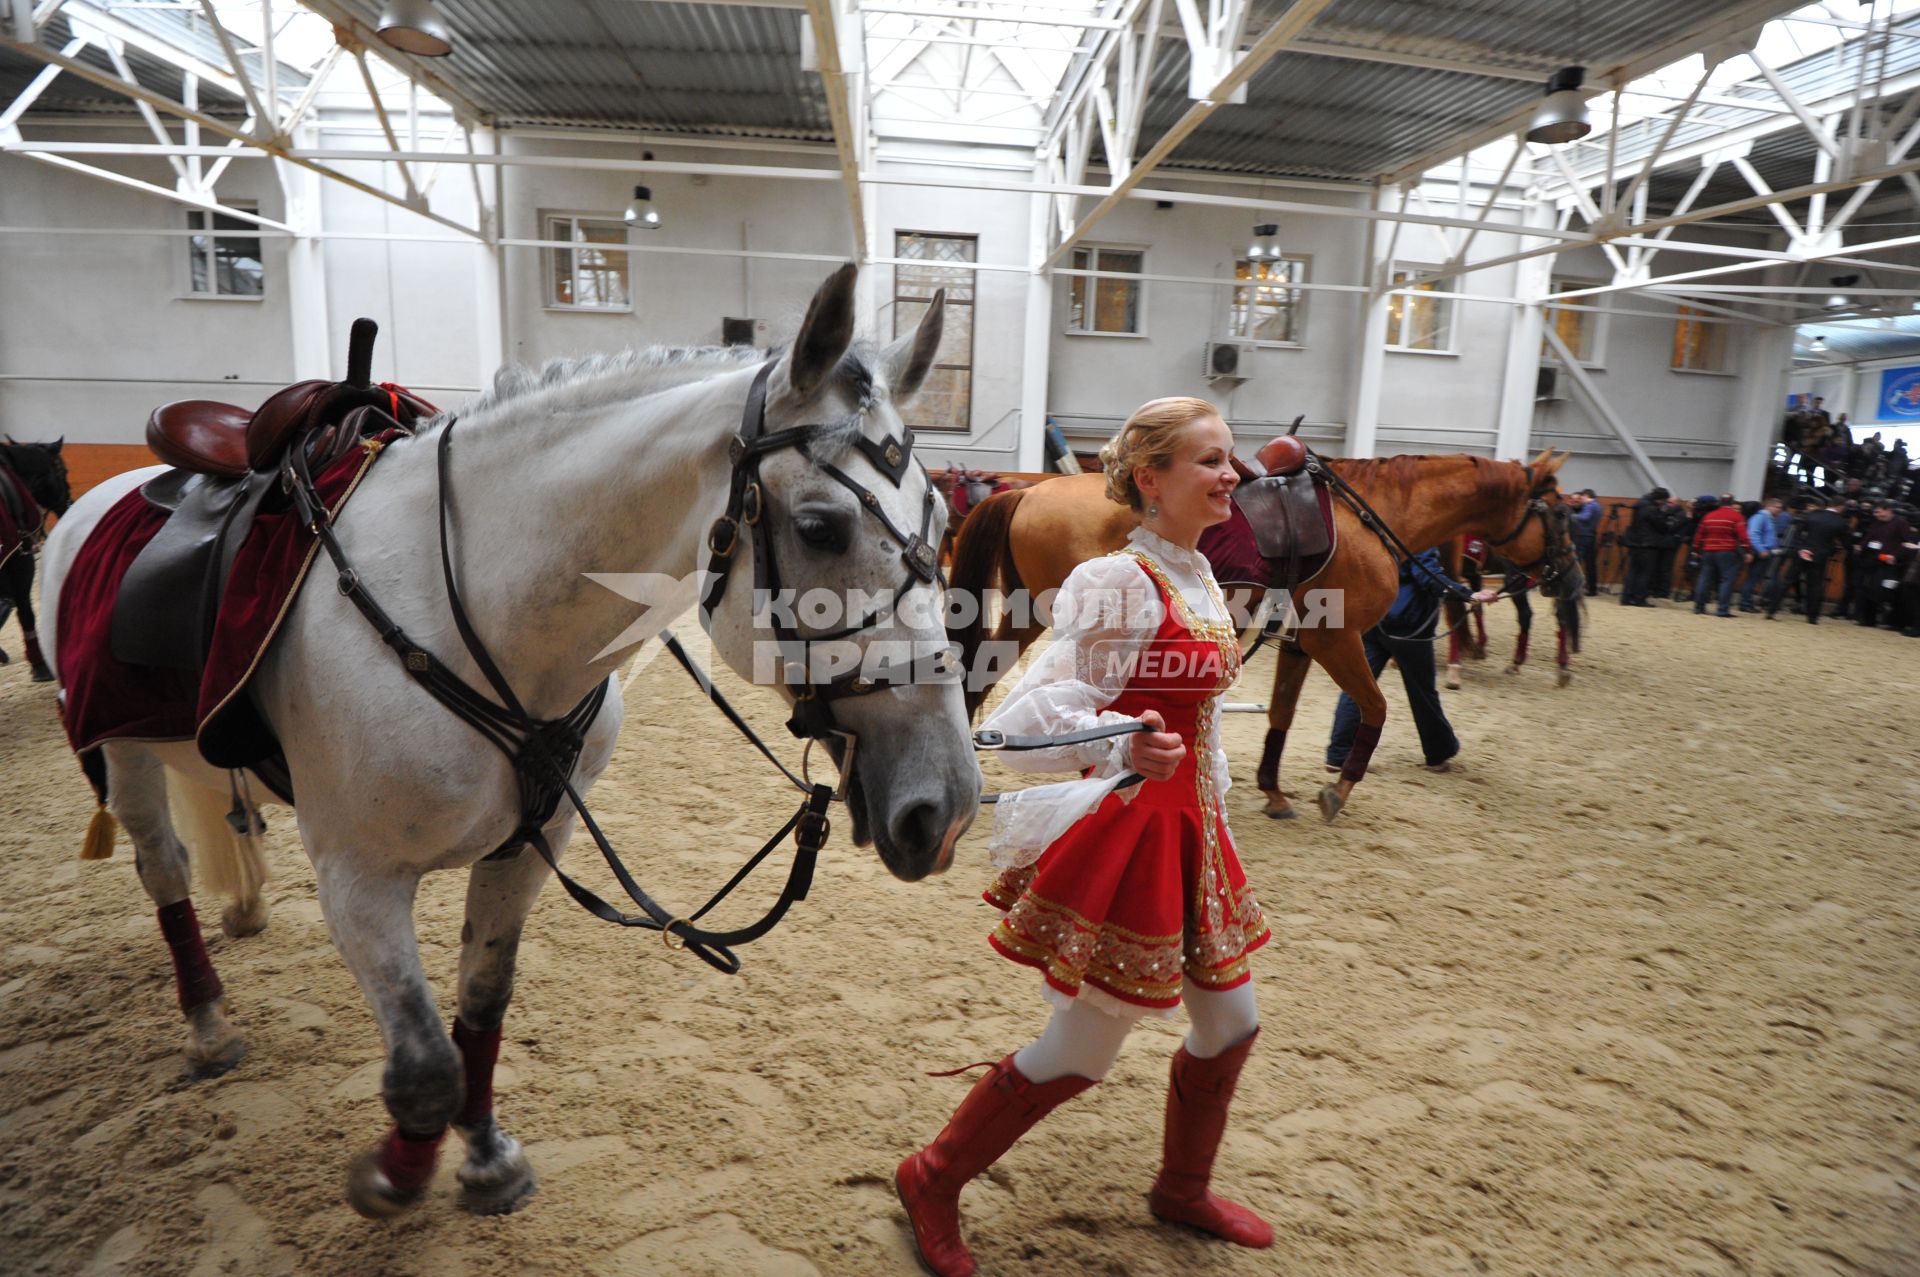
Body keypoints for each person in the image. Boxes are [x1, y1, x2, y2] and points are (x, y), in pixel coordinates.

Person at [896, 397, 1273, 1277]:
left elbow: (1199, 713)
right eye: (1213, 461)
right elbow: (1033, 714)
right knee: (1084, 1046)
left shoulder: (1196, 573)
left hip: (1194, 829)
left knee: (1232, 1022)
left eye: (1232, 458)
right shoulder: (1118, 581)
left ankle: (1182, 1186)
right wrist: (1119, 741)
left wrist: (1204, 794)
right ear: (1152, 478)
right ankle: (934, 1173)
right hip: (1138, 828)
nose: (1234, 475)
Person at [1327, 549, 1497, 773]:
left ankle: (1339, 754)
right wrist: (1468, 594)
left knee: (1356, 687)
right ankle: (1438, 753)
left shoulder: (1379, 531)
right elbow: (1428, 576)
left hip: (1374, 620)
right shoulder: (1419, 538)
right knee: (1423, 694)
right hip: (1409, 626)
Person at [1766, 492, 1851, 623]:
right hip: (1820, 556)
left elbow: (1798, 533)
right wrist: (1833, 548)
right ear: (1841, 507)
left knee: (1787, 581)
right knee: (1815, 586)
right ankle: (1812, 617)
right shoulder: (1840, 522)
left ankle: (1771, 610)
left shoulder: (1812, 515)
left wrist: (1801, 548)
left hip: (1802, 552)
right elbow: (1846, 543)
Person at [1853, 500, 1917, 628]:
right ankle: (1868, 619)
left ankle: (1891, 620)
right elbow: (1870, 536)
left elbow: (1907, 543)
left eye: (1880, 512)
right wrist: (1861, 546)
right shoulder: (1877, 523)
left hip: (1889, 563)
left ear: (1888, 510)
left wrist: (1895, 556)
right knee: (1867, 589)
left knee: (1883, 591)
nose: (1878, 515)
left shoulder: (1900, 523)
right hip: (1873, 560)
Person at [1690, 495, 1751, 617]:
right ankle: (1722, 610)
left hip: (1708, 551)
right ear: (1732, 503)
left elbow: (1699, 534)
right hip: (1727, 551)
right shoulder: (1736, 516)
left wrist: (1696, 550)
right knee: (1726, 581)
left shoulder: (1709, 516)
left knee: (1704, 579)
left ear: (1719, 502)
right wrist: (1748, 551)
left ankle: (1698, 607)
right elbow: (1743, 537)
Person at [1620, 486, 1670, 607]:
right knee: (1645, 573)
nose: (1664, 503)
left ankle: (1626, 597)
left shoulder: (1639, 504)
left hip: (1634, 543)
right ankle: (1639, 598)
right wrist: (1664, 516)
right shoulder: (1652, 509)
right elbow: (1662, 527)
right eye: (1664, 501)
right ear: (1660, 499)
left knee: (1632, 571)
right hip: (1648, 545)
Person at [1740, 496, 1788, 612]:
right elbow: (1753, 535)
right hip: (1761, 552)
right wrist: (1761, 549)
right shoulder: (1760, 518)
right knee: (1753, 578)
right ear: (1768, 506)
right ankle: (1745, 604)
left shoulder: (1768, 518)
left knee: (1755, 578)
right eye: (1777, 507)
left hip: (1765, 552)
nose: (1779, 510)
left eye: (1780, 508)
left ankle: (1747, 603)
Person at [1568, 489, 1602, 596]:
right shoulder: (1598, 506)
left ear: (1587, 496)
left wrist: (1570, 516)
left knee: (1576, 563)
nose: (1581, 500)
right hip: (1591, 536)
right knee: (1591, 564)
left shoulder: (1589, 506)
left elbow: (1585, 517)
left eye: (1581, 498)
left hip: (1582, 537)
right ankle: (1593, 589)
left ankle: (1574, 587)